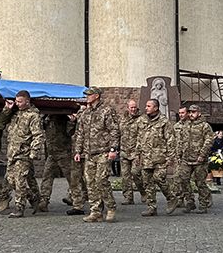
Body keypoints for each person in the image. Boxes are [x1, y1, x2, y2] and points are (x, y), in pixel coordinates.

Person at [73, 87, 120, 223]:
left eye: (89, 95)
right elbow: (80, 133)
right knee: (90, 182)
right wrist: (78, 151)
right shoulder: (86, 113)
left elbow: (114, 130)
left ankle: (110, 207)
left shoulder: (106, 111)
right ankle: (95, 211)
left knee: (101, 180)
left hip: (103, 152)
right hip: (89, 153)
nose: (87, 97)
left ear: (97, 96)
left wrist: (113, 149)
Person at [2, 91, 45, 217]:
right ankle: (32, 197)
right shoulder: (16, 114)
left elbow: (38, 135)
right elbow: (2, 121)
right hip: (12, 153)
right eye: (16, 101)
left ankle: (19, 208)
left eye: (20, 101)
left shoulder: (33, 116)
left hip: (23, 154)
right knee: (11, 180)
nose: (17, 104)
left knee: (20, 181)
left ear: (27, 101)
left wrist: (33, 152)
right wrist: (7, 109)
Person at [136, 98, 176, 217]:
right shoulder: (142, 120)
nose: (146, 108)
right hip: (146, 157)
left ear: (156, 108)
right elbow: (139, 138)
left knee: (159, 178)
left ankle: (171, 198)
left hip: (160, 157)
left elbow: (170, 140)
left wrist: (170, 157)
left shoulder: (164, 122)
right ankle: (151, 207)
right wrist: (137, 154)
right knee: (147, 182)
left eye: (149, 106)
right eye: (146, 106)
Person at [41, 113, 85, 214]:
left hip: (64, 153)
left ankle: (77, 202)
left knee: (72, 179)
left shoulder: (63, 118)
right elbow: (41, 127)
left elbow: (70, 132)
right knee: (46, 177)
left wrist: (72, 122)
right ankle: (44, 200)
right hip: (52, 154)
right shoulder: (46, 118)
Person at [174, 105, 215, 213]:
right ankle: (190, 201)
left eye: (194, 112)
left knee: (200, 182)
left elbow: (209, 141)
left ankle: (203, 204)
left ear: (199, 113)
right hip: (186, 159)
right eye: (190, 112)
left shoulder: (204, 126)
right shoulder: (185, 125)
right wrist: (179, 155)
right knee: (183, 180)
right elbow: (180, 141)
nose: (191, 114)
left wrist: (202, 154)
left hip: (199, 160)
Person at [118, 99, 145, 205]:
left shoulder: (141, 119)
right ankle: (128, 197)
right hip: (124, 151)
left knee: (135, 173)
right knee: (125, 176)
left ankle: (143, 192)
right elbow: (118, 133)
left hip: (136, 152)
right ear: (127, 108)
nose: (133, 109)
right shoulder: (122, 119)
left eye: (135, 107)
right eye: (131, 107)